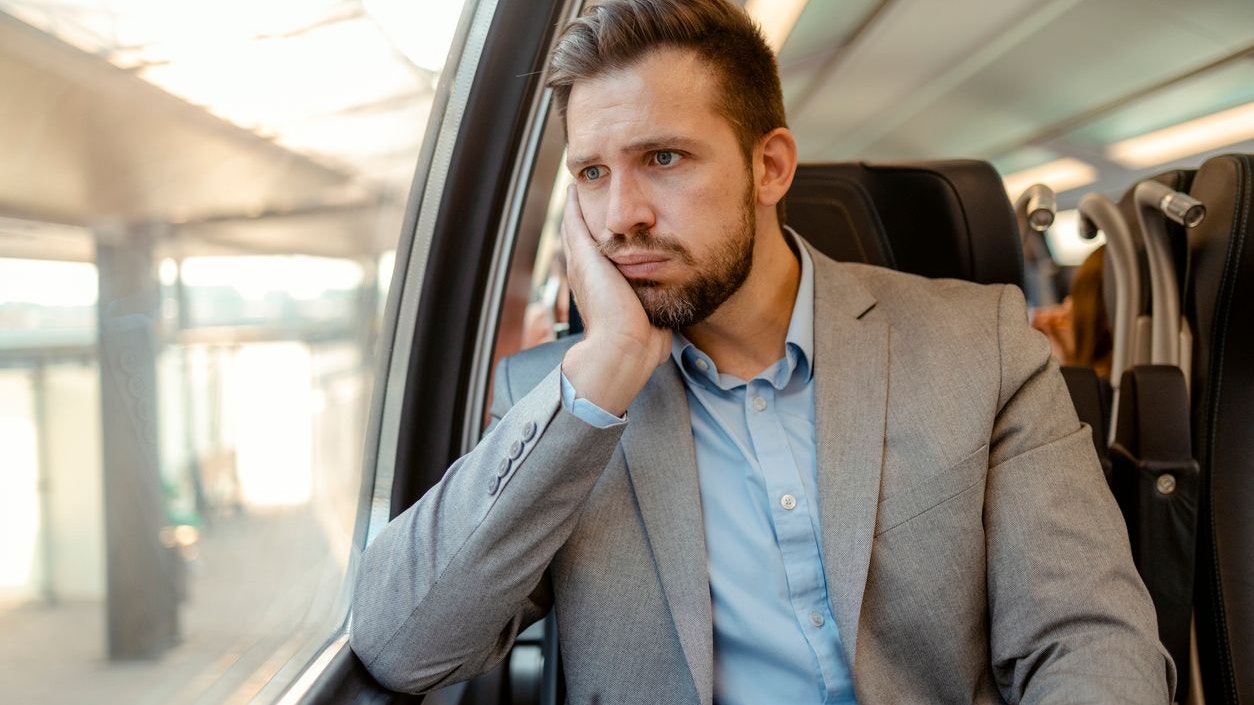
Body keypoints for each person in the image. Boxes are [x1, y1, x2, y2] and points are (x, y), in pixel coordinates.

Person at [350, 1, 1173, 703]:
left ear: (769, 166)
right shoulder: (560, 406)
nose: (622, 215)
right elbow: (399, 643)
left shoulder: (976, 345)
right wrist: (604, 368)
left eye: (662, 158)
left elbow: (1089, 639)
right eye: (592, 173)